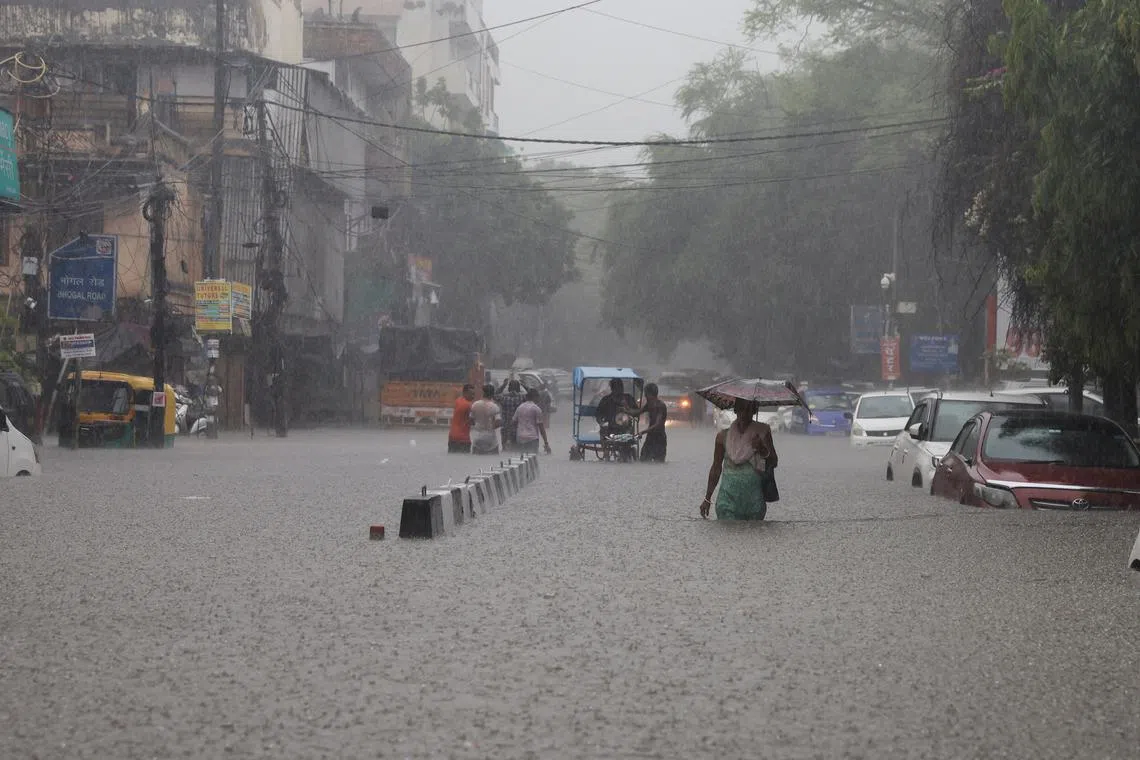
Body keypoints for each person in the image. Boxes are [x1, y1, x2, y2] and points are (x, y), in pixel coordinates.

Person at [700, 398, 778, 521]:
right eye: (741, 408)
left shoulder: (762, 433)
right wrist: (707, 498)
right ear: (735, 410)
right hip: (727, 500)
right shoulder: (722, 436)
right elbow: (716, 467)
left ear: (754, 411)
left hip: (754, 501)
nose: (744, 413)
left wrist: (762, 449)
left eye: (748, 409)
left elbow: (774, 462)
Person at [630, 382, 668, 462]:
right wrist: (626, 409)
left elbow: (657, 424)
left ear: (650, 394)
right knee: (644, 460)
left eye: (646, 394)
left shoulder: (660, 406)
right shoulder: (649, 404)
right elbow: (637, 413)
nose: (645, 396)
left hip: (659, 438)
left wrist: (643, 432)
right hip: (650, 438)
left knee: (658, 462)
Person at [513, 388, 552, 455]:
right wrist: (546, 443)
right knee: (533, 460)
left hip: (520, 438)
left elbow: (513, 422)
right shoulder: (536, 409)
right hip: (532, 439)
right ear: (535, 397)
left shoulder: (519, 407)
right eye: (538, 397)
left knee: (521, 460)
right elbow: (541, 428)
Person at [469, 384, 502, 455]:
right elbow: (498, 422)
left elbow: (471, 421)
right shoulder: (494, 406)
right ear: (492, 394)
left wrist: (478, 424)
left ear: (483, 392)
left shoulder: (475, 404)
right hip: (491, 439)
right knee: (494, 463)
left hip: (477, 437)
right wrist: (490, 428)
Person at [496, 379, 526, 452]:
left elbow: (495, 394)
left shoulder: (503, 398)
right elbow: (532, 394)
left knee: (505, 450)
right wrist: (523, 385)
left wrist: (503, 385)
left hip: (505, 428)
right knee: (517, 451)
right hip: (518, 428)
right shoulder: (522, 398)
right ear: (519, 388)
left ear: (509, 388)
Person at [448, 384, 476, 453]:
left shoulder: (457, 401)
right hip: (463, 439)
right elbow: (473, 422)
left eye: (474, 394)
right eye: (471, 394)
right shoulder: (469, 405)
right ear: (465, 393)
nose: (473, 396)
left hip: (452, 437)